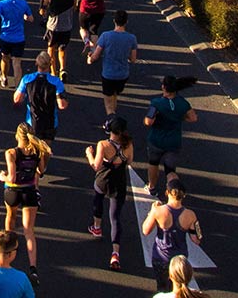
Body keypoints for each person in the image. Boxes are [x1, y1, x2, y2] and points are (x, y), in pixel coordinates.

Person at [0, 124, 50, 285]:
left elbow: (12, 177)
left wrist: (2, 176)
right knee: (29, 231)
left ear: (17, 135)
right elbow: (41, 171)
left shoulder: (12, 153)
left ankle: (6, 254)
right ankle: (33, 268)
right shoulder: (37, 151)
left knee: (11, 218)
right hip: (29, 191)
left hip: (13, 192)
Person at [87, 114, 134, 267]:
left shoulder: (103, 145)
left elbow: (96, 165)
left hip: (103, 179)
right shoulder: (128, 144)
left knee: (98, 199)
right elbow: (130, 161)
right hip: (119, 182)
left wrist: (89, 154)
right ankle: (115, 253)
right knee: (115, 217)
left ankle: (97, 227)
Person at [141, 182, 203, 293]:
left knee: (163, 289)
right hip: (180, 261)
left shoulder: (158, 211)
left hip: (161, 258)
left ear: (167, 193)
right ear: (183, 195)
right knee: (180, 290)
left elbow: (145, 230)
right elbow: (197, 239)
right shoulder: (190, 215)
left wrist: (152, 212)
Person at [144, 75, 195, 197]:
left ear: (163, 87)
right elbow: (193, 118)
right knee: (171, 171)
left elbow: (148, 121)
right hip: (173, 142)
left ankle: (152, 187)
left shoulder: (156, 103)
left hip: (156, 140)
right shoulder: (183, 103)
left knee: (153, 164)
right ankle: (175, 193)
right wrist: (179, 117)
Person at [87, 9, 140, 116]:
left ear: (114, 21)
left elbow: (96, 55)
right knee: (114, 96)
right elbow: (133, 59)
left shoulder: (106, 36)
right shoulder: (132, 38)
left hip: (108, 74)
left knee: (108, 103)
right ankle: (113, 118)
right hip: (123, 75)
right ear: (126, 22)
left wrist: (89, 59)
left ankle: (111, 123)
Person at [12, 52, 67, 143]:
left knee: (33, 149)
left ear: (36, 63)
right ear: (50, 64)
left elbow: (17, 99)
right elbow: (62, 105)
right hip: (50, 122)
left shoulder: (27, 79)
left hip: (33, 122)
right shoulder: (56, 82)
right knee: (45, 151)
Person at [0, 0, 30, 88]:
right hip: (19, 38)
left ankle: (4, 77)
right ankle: (18, 88)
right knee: (17, 64)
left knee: (4, 58)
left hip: (5, 37)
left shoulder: (1, 4)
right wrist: (25, 17)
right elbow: (30, 18)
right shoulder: (23, 3)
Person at [41, 0, 78, 81]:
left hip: (53, 25)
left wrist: (44, 12)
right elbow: (75, 7)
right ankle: (63, 69)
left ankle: (53, 72)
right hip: (66, 25)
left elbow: (43, 9)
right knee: (63, 48)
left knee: (51, 48)